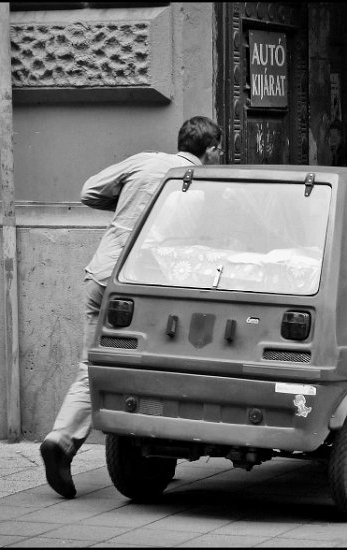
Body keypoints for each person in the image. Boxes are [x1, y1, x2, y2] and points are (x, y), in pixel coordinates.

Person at [40, 116, 224, 499]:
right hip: (144, 286)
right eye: (219, 149)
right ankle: (83, 442)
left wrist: (127, 211)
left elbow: (89, 191)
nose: (220, 155)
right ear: (209, 150)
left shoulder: (144, 161)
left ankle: (69, 439)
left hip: (101, 274)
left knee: (93, 364)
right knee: (157, 367)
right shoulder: (200, 185)